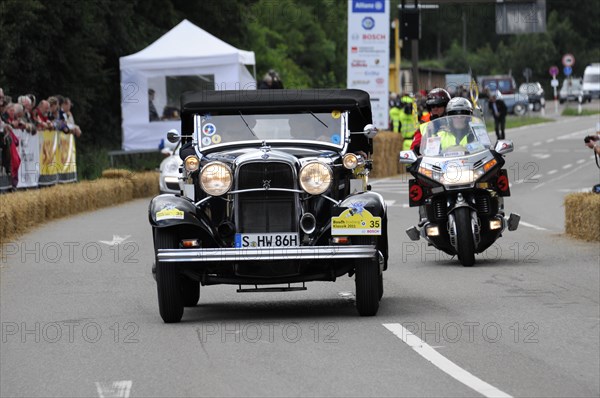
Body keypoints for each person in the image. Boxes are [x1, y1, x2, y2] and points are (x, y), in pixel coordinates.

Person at [409, 88, 451, 155]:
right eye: (432, 106)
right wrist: (427, 135)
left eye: (439, 105)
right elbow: (412, 153)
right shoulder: (424, 128)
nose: (435, 108)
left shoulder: (454, 125)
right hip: (430, 163)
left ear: (446, 107)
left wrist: (451, 131)